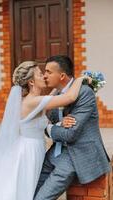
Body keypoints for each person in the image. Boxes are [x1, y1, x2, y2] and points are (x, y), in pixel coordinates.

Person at [0, 60, 90, 200]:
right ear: (31, 82)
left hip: (34, 148)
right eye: (39, 74)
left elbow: (48, 103)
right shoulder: (33, 101)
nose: (44, 76)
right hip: (28, 151)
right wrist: (79, 79)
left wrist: (60, 122)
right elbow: (69, 97)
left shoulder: (35, 100)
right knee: (21, 188)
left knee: (28, 188)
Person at [34, 55, 110, 200]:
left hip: (77, 154)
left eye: (49, 72)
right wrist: (50, 126)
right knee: (29, 190)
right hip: (55, 152)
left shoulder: (85, 93)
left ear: (61, 75)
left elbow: (70, 134)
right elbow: (44, 123)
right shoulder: (56, 94)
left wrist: (49, 128)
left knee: (41, 198)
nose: (44, 75)